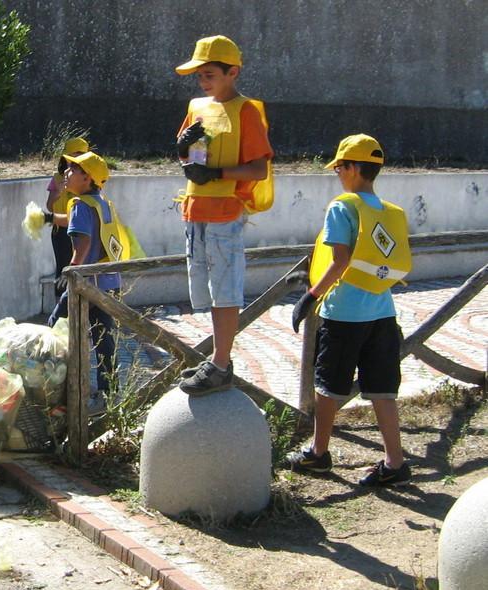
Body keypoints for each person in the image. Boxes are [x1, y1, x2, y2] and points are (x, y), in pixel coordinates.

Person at [289, 134, 412, 487]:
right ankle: (395, 462)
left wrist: (310, 296)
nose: (338, 173)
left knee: (328, 385)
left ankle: (318, 453)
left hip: (344, 312)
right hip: (383, 311)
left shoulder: (343, 206)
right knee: (382, 387)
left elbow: (340, 259)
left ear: (355, 168)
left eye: (341, 166)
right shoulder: (390, 211)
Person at [173, 35, 273, 396]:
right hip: (195, 208)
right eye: (200, 74)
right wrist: (184, 152)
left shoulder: (246, 111)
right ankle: (217, 359)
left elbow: (258, 169)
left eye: (210, 74)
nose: (202, 81)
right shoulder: (198, 105)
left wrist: (217, 175)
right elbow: (189, 156)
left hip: (225, 212)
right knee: (209, 292)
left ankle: (220, 362)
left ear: (233, 72)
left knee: (226, 291)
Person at [47, 151, 130, 411]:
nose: (66, 173)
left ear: (87, 178)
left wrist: (71, 269)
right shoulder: (101, 202)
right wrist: (49, 218)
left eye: (72, 169)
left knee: (53, 330)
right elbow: (79, 225)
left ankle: (49, 387)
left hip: (86, 283)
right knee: (103, 338)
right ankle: (108, 391)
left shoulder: (80, 205)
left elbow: (82, 240)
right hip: (108, 282)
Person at [45, 136, 90, 296]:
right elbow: (49, 206)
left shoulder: (89, 179)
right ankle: (61, 306)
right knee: (63, 269)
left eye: (81, 154)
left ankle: (81, 305)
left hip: (82, 230)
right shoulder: (57, 179)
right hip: (61, 232)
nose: (76, 158)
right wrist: (58, 192)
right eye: (74, 154)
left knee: (81, 269)